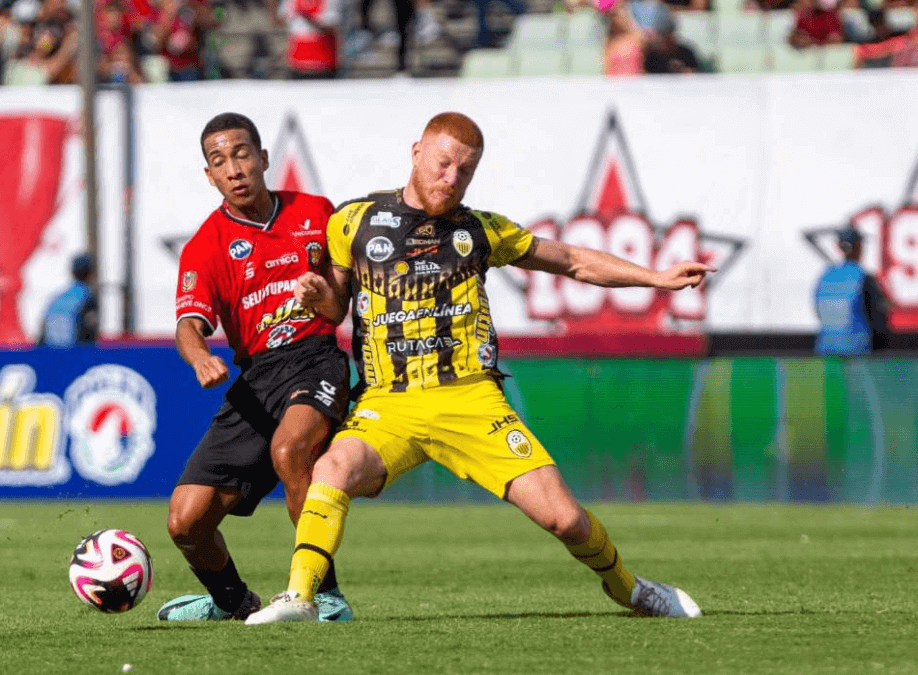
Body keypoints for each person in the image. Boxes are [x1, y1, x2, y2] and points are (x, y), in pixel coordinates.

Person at [246, 112, 710, 624]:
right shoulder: (353, 221)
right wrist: (318, 295)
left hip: (470, 400)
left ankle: (632, 589)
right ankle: (300, 597)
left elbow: (572, 260)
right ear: (417, 151)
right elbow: (335, 306)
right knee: (331, 469)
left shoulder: (480, 230)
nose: (452, 179)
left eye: (465, 172)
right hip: (389, 403)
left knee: (565, 519)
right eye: (444, 164)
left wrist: (656, 278)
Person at [159, 112, 354, 623]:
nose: (234, 169)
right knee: (185, 521)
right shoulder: (205, 246)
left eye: (242, 154)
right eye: (219, 161)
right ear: (209, 176)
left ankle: (321, 594)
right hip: (256, 377)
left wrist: (323, 295)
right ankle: (231, 601)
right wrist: (201, 356)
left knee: (291, 448)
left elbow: (338, 310)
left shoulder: (315, 213)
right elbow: (188, 324)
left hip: (315, 360)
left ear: (264, 158)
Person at [814, 227, 891, 355]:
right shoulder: (863, 278)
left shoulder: (825, 277)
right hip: (857, 354)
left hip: (826, 353)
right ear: (859, 247)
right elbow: (879, 321)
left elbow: (818, 311)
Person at [38, 253, 99, 347]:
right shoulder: (88, 297)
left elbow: (42, 333)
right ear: (91, 274)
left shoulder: (57, 298)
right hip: (72, 354)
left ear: (72, 272)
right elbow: (89, 334)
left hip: (50, 354)